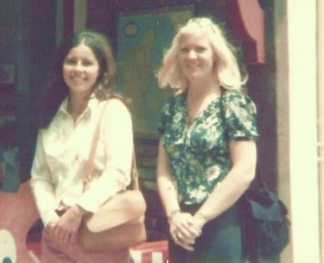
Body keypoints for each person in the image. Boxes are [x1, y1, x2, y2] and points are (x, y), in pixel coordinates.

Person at [155, 17, 259, 263]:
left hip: (220, 222)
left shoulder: (232, 104)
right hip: (180, 226)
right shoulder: (173, 108)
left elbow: (245, 169)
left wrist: (200, 219)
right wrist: (174, 214)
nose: (192, 56)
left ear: (216, 55)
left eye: (200, 49)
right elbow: (163, 170)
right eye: (185, 50)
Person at [30, 30, 134, 263]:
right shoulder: (52, 114)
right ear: (62, 66)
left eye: (87, 63)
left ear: (101, 70)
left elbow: (118, 173)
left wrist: (78, 211)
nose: (78, 69)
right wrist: (51, 220)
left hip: (99, 233)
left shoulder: (112, 111)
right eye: (71, 61)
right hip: (57, 235)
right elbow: (40, 175)